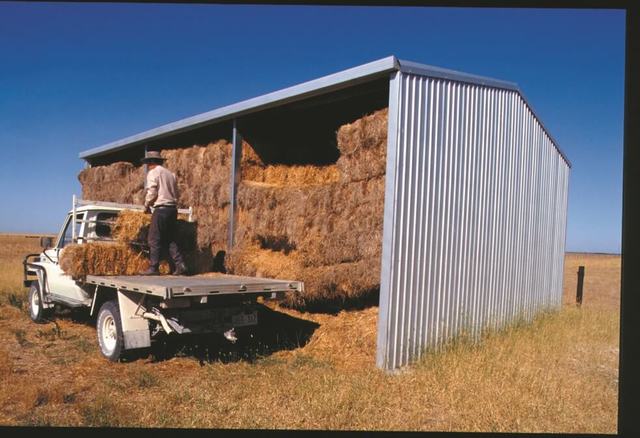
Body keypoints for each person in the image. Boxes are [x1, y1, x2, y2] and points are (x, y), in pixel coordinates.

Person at [139, 150, 188, 276]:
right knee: (170, 239)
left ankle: (153, 267)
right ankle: (180, 264)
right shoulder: (171, 174)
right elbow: (177, 194)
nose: (147, 166)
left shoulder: (153, 173)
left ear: (151, 162)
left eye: (147, 163)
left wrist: (146, 205)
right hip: (172, 209)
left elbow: (152, 192)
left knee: (153, 239)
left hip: (161, 209)